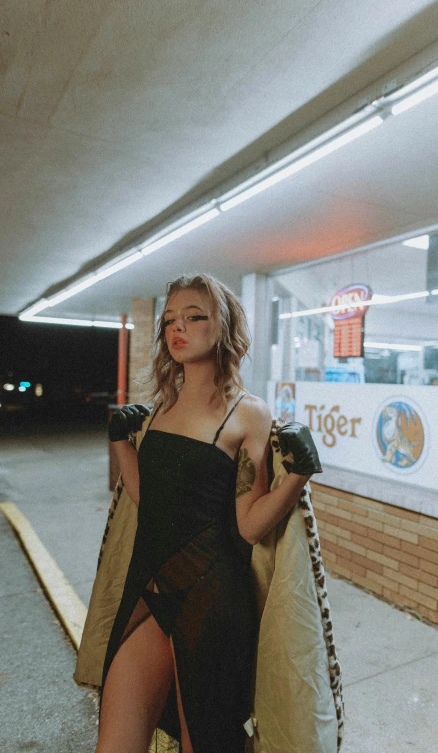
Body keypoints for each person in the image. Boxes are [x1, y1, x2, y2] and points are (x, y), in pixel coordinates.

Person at [94, 273, 323, 753]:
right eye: (170, 320)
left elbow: (249, 526)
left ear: (223, 325)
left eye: (194, 317)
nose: (178, 328)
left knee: (206, 743)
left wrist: (299, 474)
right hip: (147, 588)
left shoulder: (247, 412)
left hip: (211, 600)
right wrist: (121, 443)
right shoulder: (163, 404)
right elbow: (148, 500)